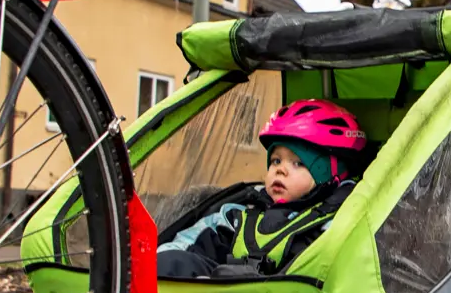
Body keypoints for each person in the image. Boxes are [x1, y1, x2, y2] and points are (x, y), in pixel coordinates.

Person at [156, 99, 366, 279]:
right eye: (275, 161)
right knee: (167, 261)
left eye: (298, 163)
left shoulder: (336, 224)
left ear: (332, 174)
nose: (280, 170)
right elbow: (185, 243)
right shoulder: (240, 213)